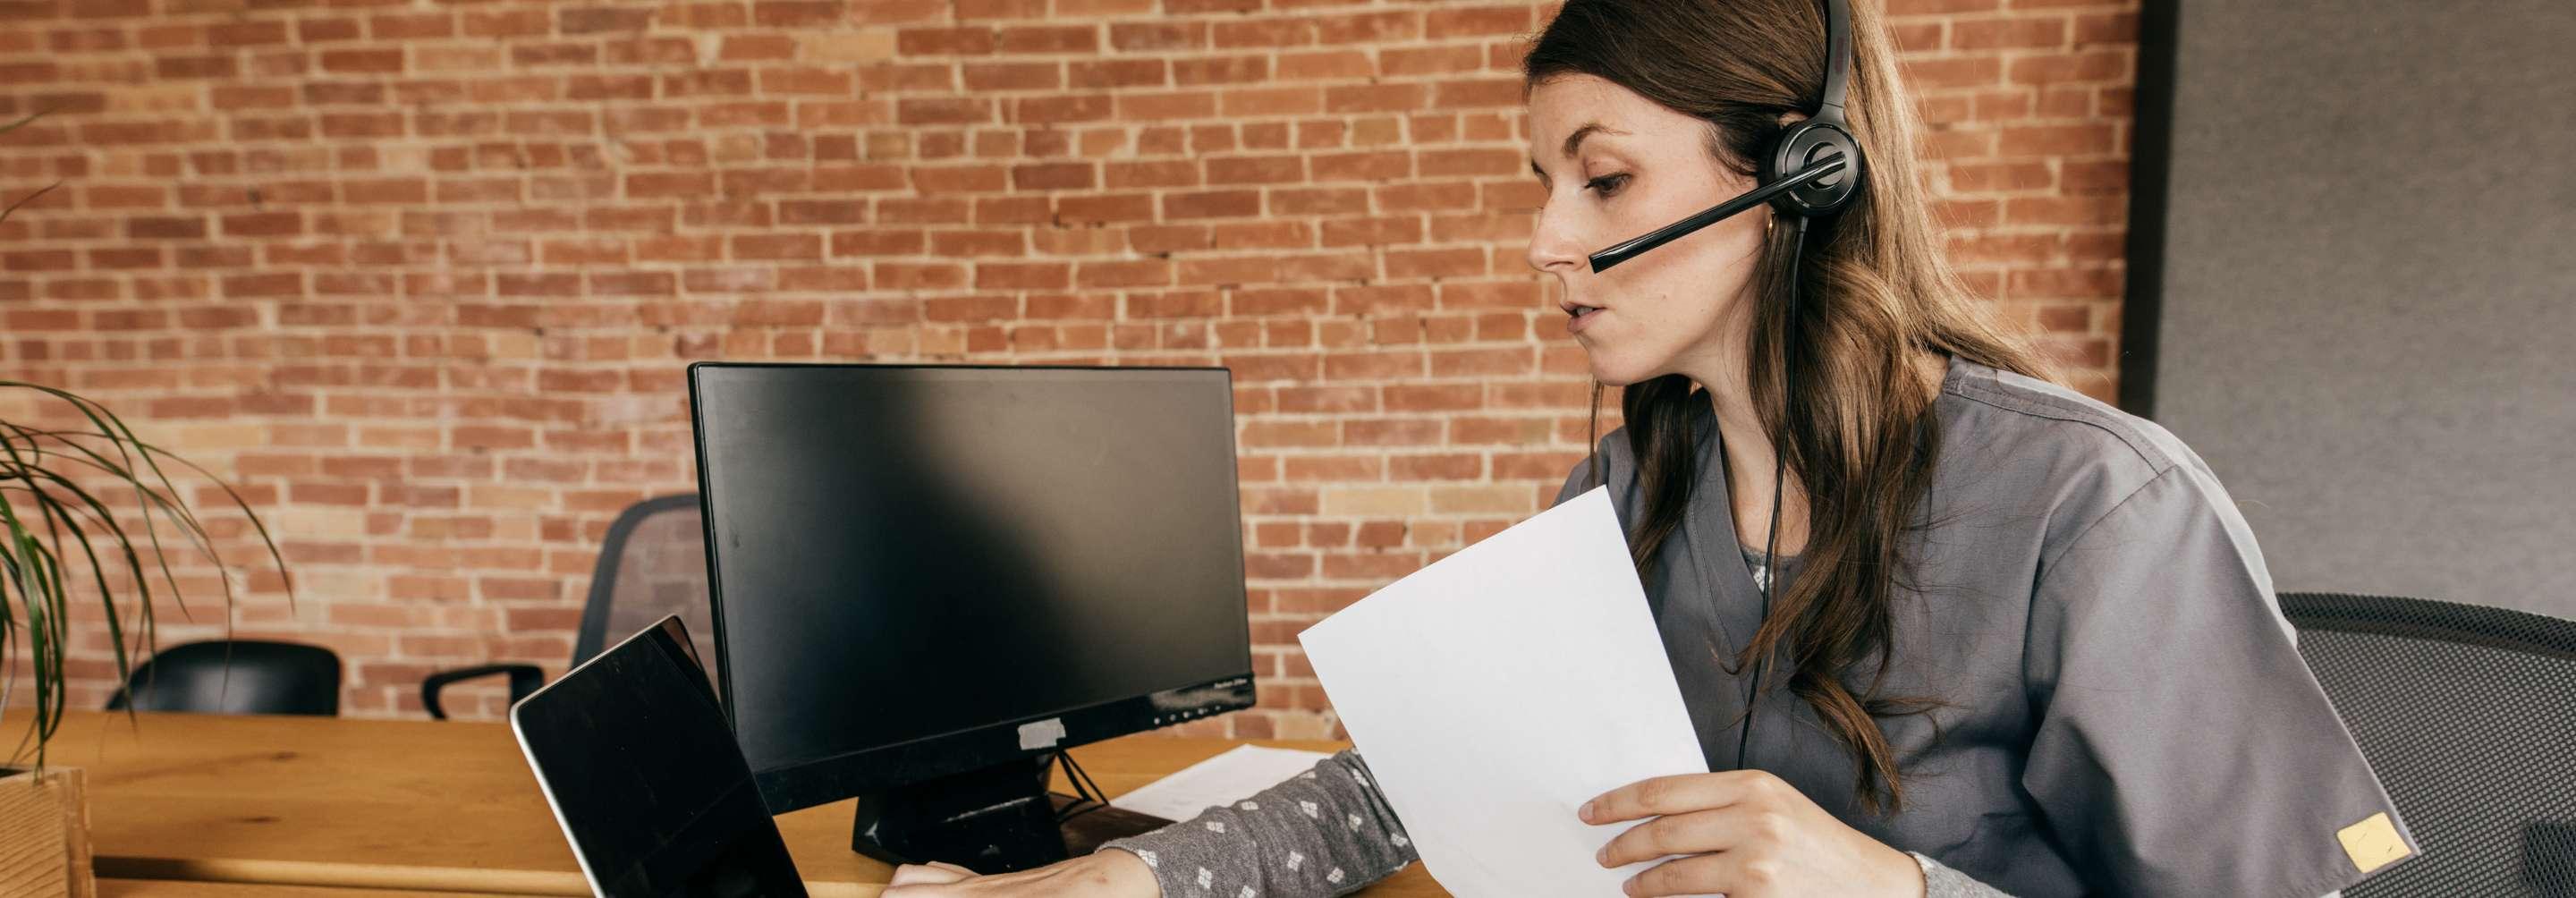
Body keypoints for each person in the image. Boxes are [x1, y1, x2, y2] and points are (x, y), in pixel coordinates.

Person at [884, 0, 2415, 895]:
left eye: (1603, 182)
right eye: (1544, 180)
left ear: (1798, 181)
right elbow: (1428, 784)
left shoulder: (2096, 511)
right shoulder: (1629, 488)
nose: (1546, 239)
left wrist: (1895, 892)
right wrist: (1122, 882)